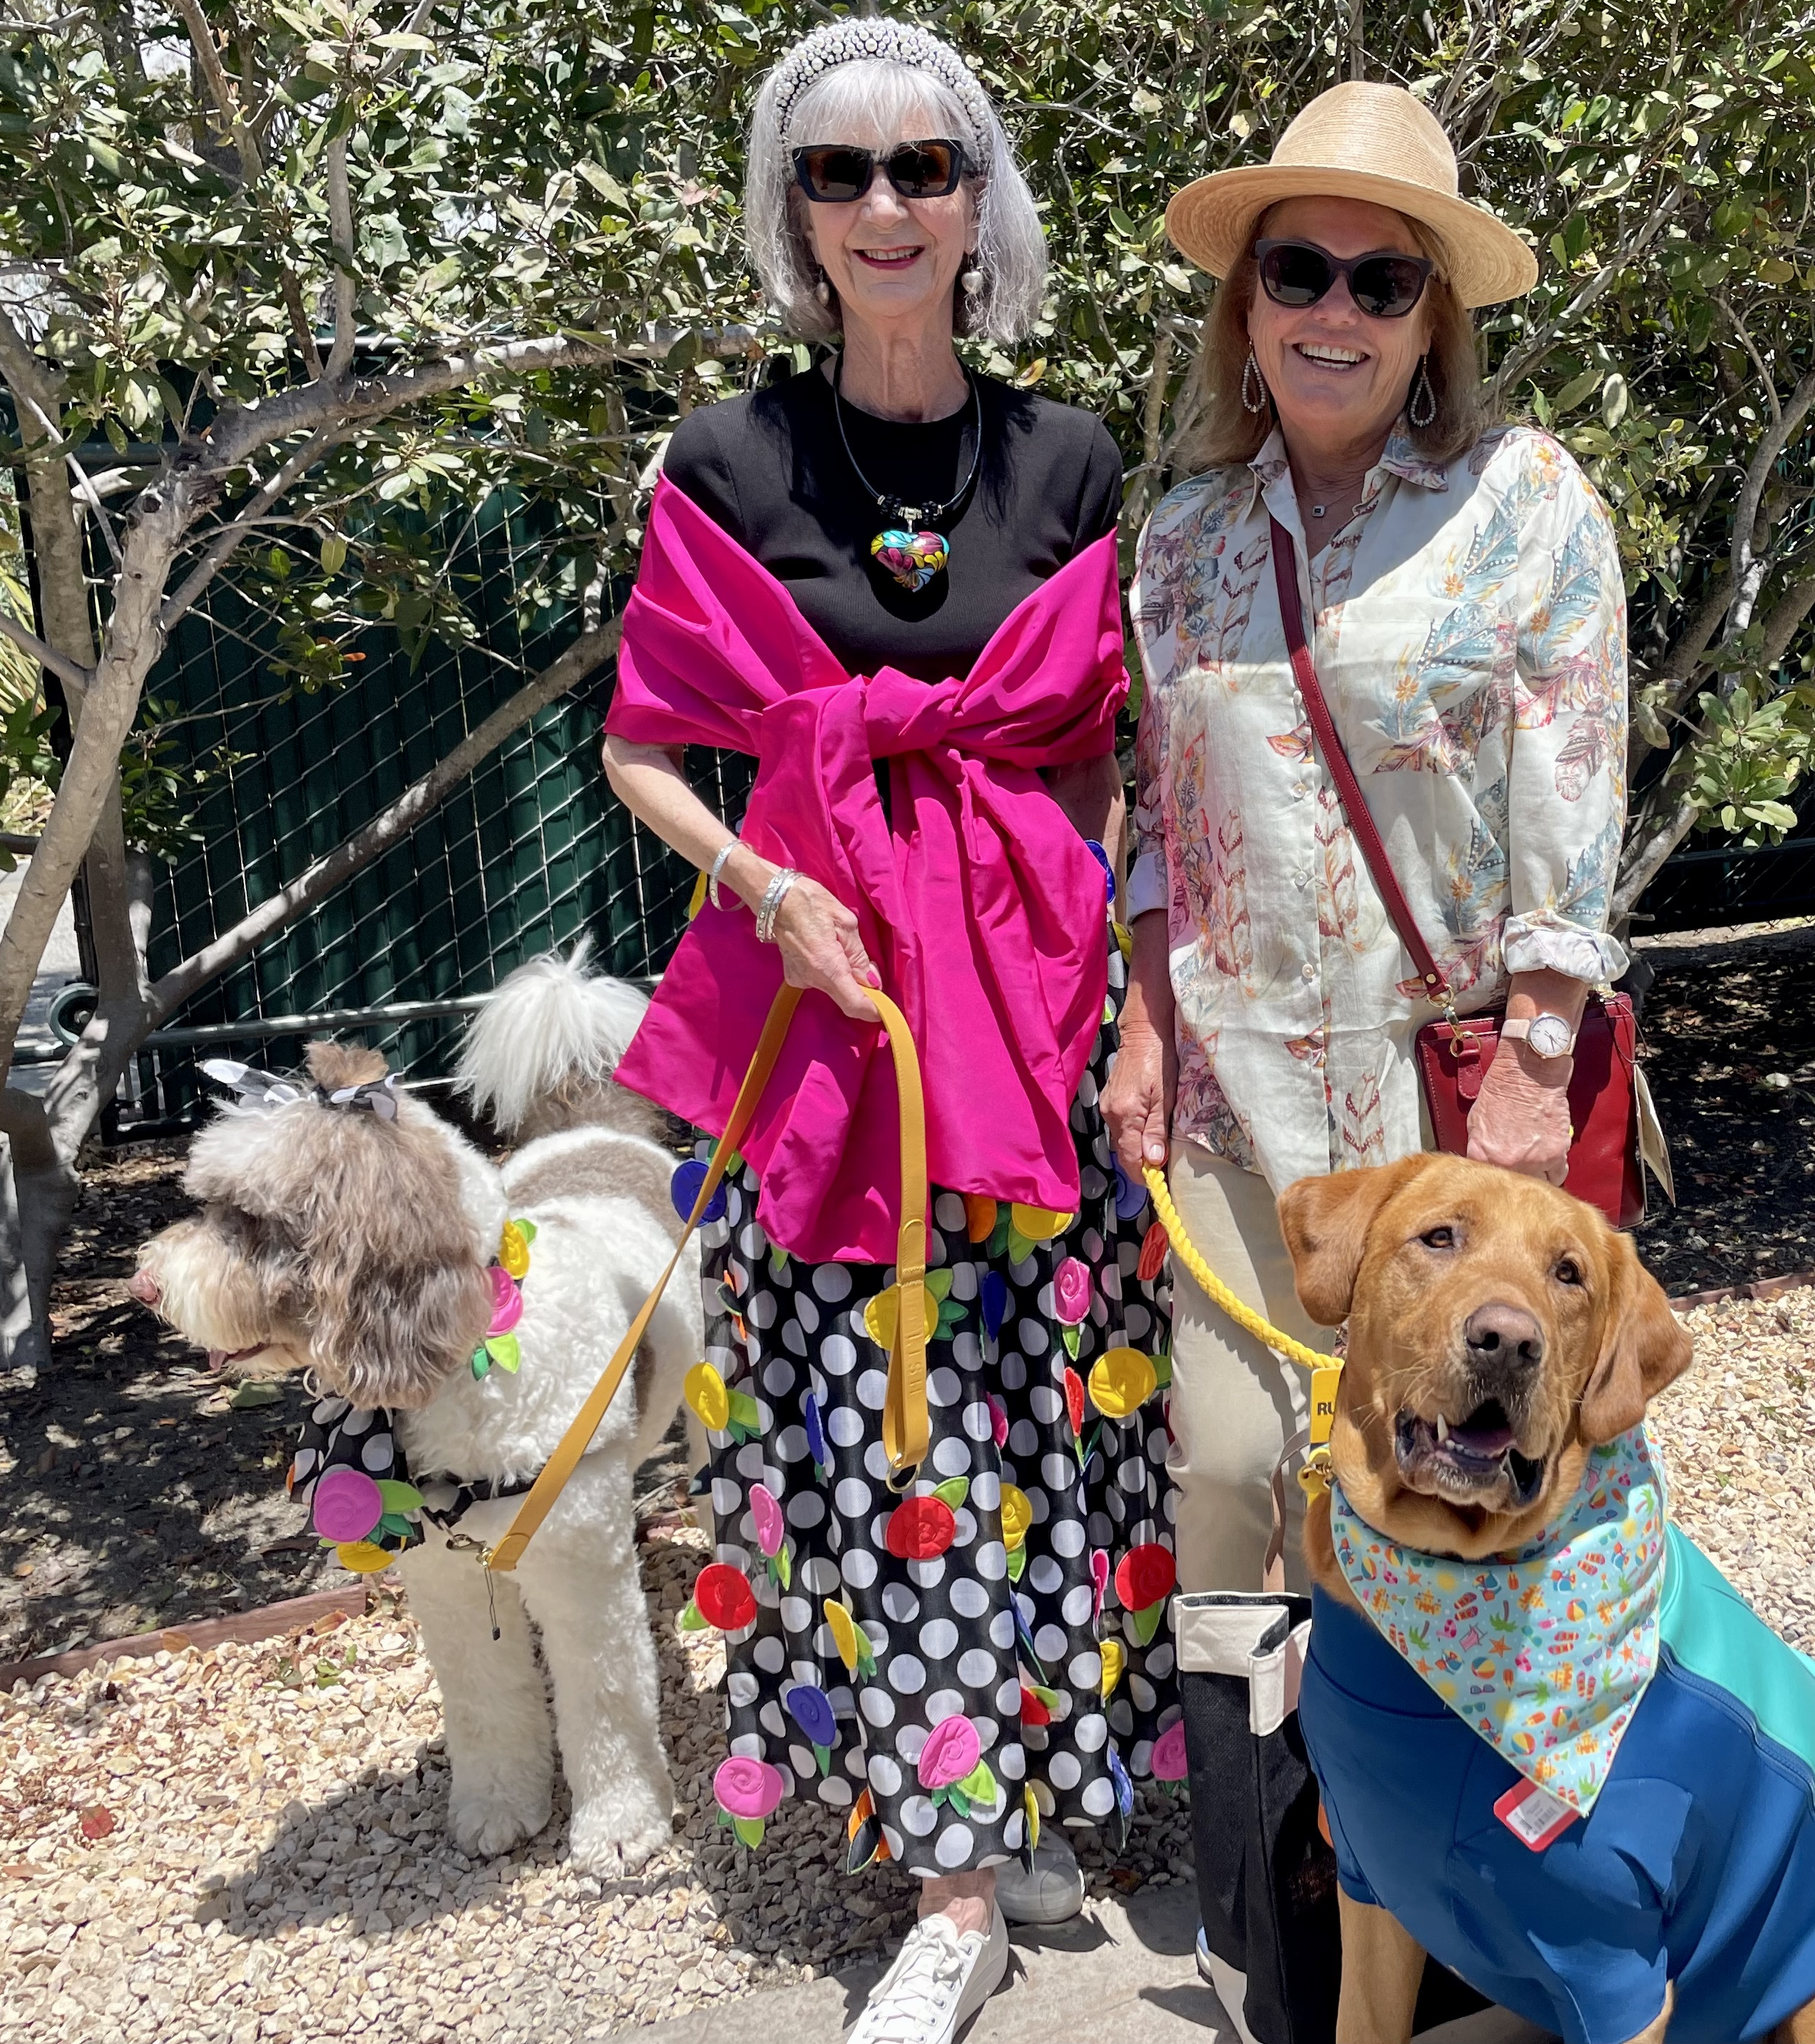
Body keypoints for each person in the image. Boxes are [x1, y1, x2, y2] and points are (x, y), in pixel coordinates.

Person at [600, 21, 1175, 2042]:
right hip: (825, 1034)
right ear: (795, 212)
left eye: (923, 165)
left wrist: (1079, 972)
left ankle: (1023, 1784)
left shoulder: (1068, 457)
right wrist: (766, 885)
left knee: (1038, 1408)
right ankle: (949, 1884)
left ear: (977, 197)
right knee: (880, 1415)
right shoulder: (728, 458)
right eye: (836, 172)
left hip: (1020, 1022)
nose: (883, 205)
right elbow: (642, 747)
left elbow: (1090, 750)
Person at [1103, 81, 1632, 1600]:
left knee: (1433, 1479)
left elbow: (1572, 789)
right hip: (1233, 1092)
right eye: (1297, 271)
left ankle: (1400, 1744)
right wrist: (1142, 1022)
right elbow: (1164, 817)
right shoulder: (1185, 541)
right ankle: (1245, 1760)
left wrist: (1535, 1063)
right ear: (1247, 306)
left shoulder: (1522, 502)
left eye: (1380, 280)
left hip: (1441, 1093)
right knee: (1229, 1468)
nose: (1333, 310)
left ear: (1427, 320)